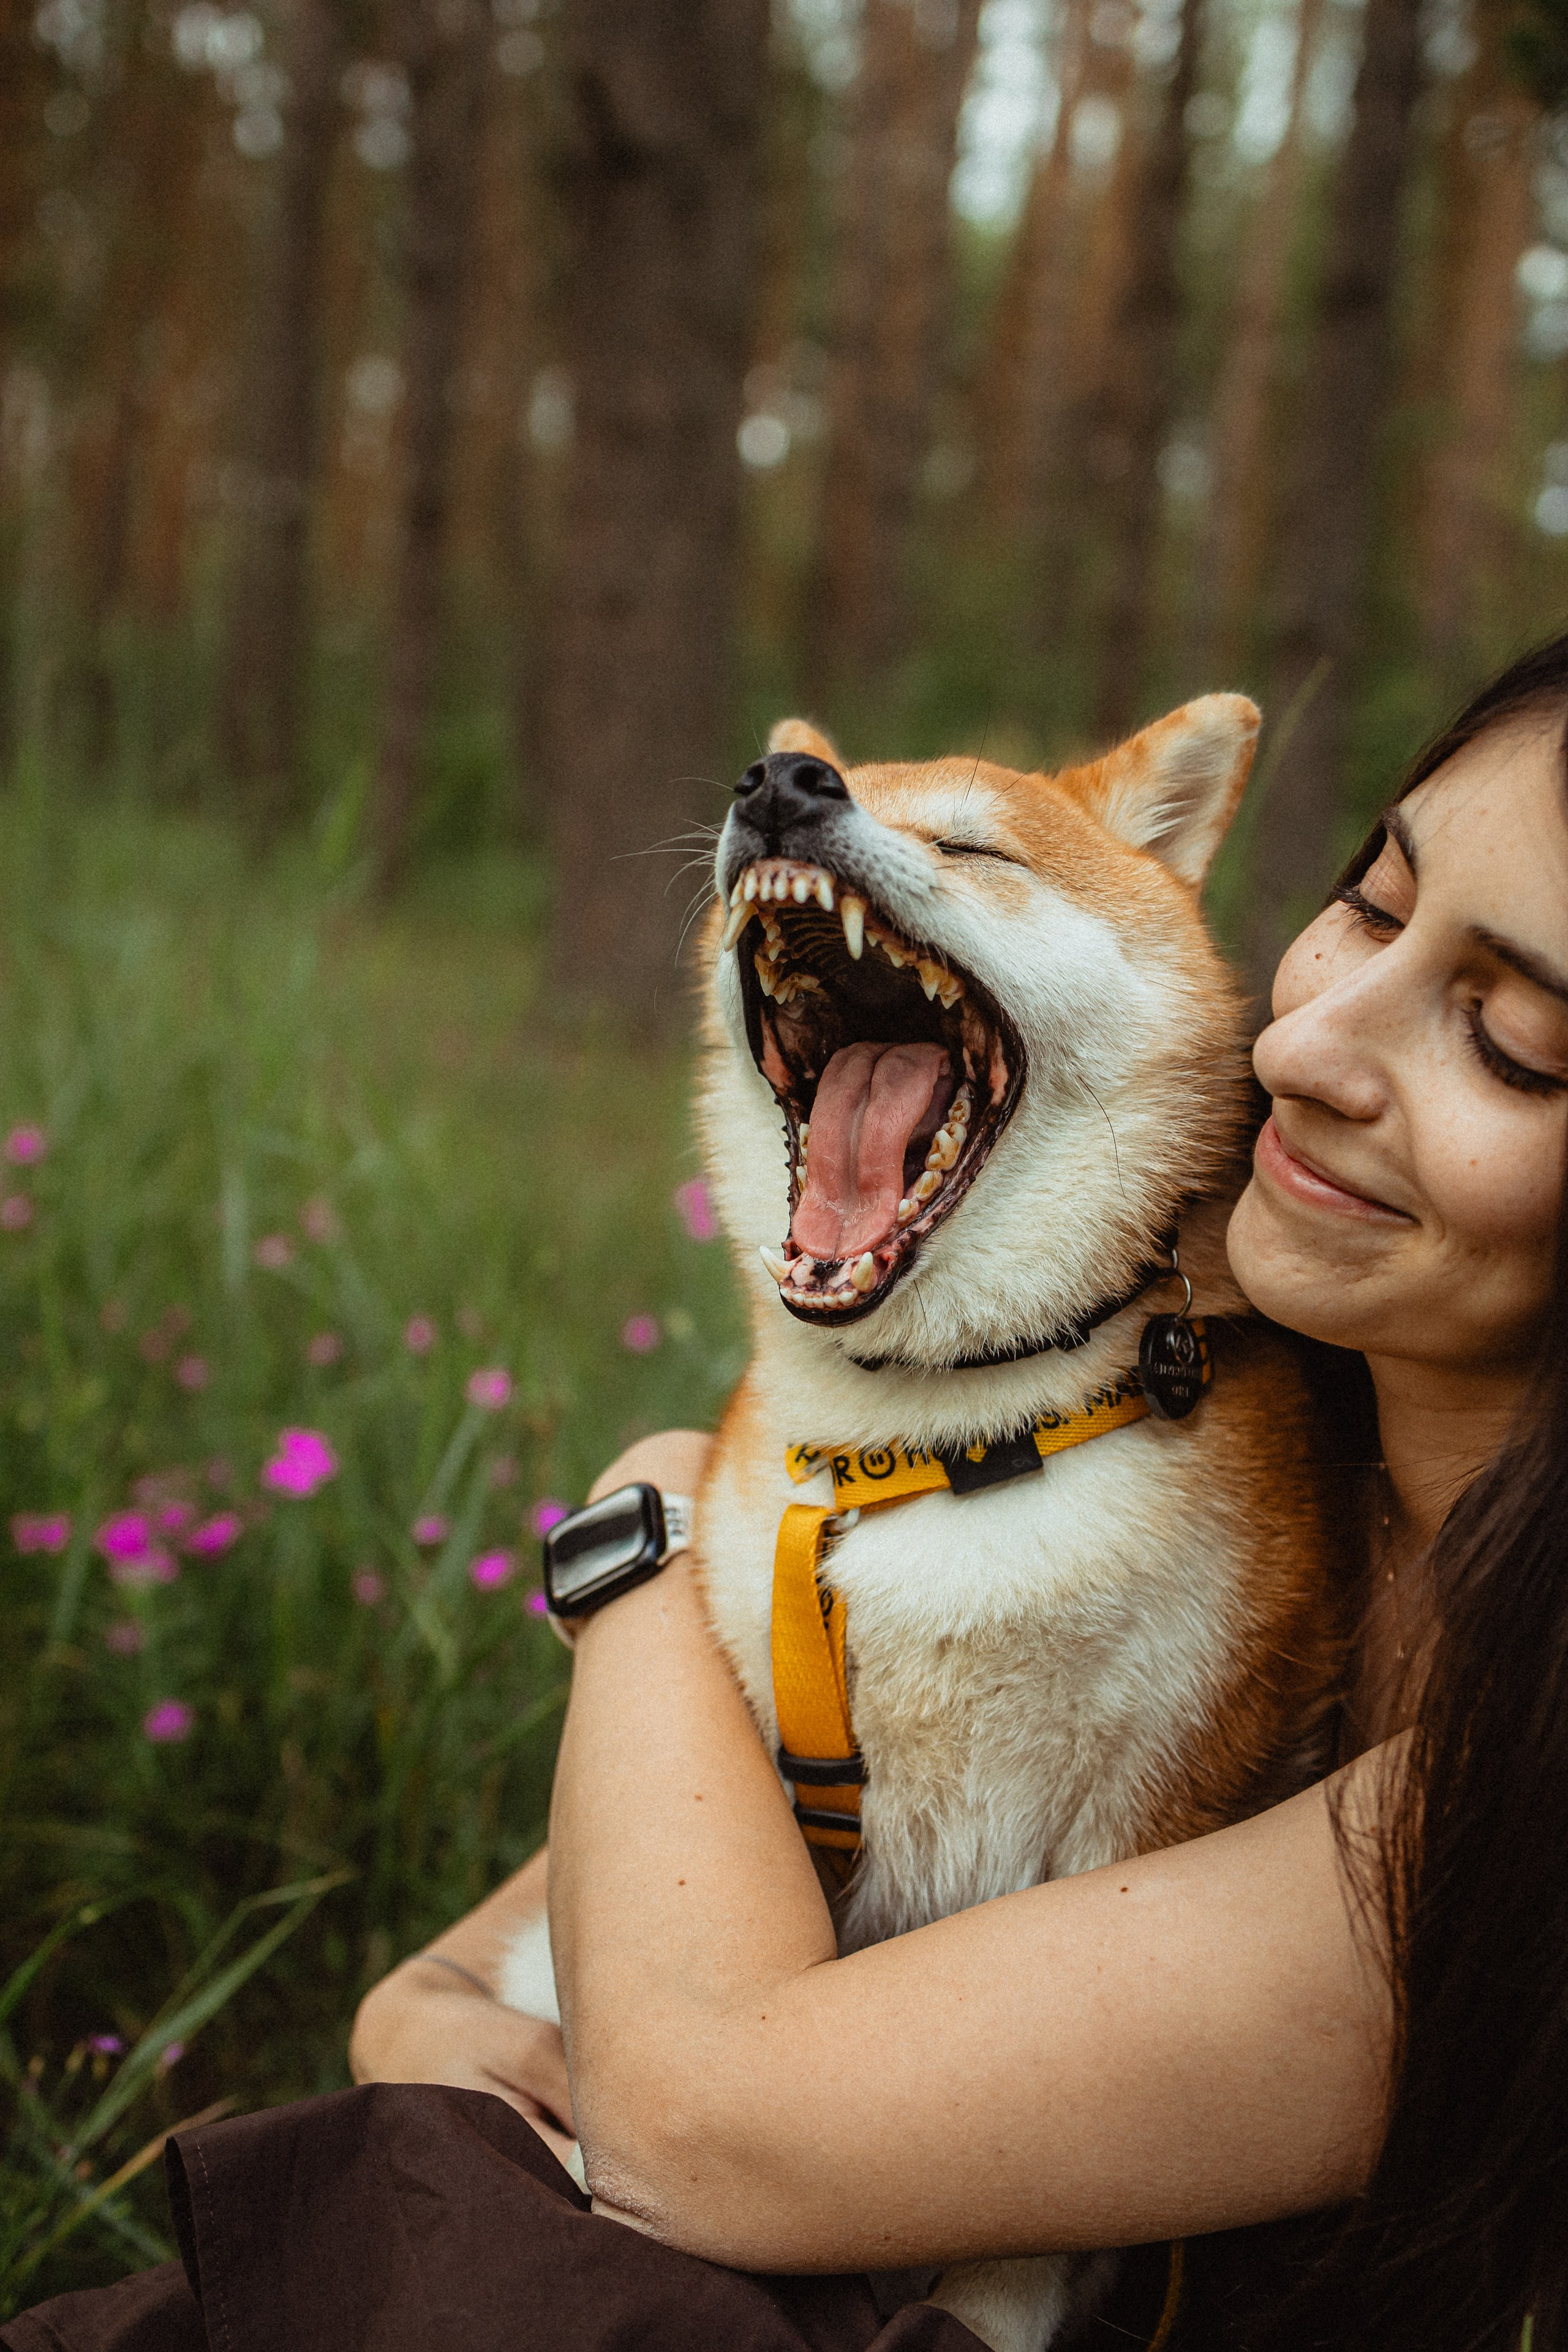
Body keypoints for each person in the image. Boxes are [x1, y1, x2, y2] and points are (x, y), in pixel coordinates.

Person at [9, 634, 1568, 2352]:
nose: (1306, 1041)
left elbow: (697, 2131)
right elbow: (482, 1967)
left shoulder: (1514, 1776)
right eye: (1368, 905)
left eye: (1514, 1043)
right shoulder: (1197, 1387)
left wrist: (644, 1518)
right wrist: (429, 2012)